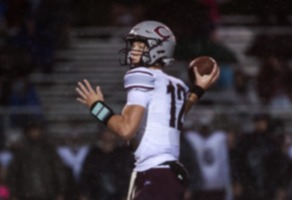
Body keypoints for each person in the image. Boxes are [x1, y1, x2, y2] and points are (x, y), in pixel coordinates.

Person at [75, 20, 220, 200]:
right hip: (169, 174)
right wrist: (197, 90)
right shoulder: (178, 85)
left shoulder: (140, 75)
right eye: (133, 45)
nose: (133, 50)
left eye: (139, 45)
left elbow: (126, 130)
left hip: (155, 173)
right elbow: (175, 116)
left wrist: (97, 107)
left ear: (157, 48)